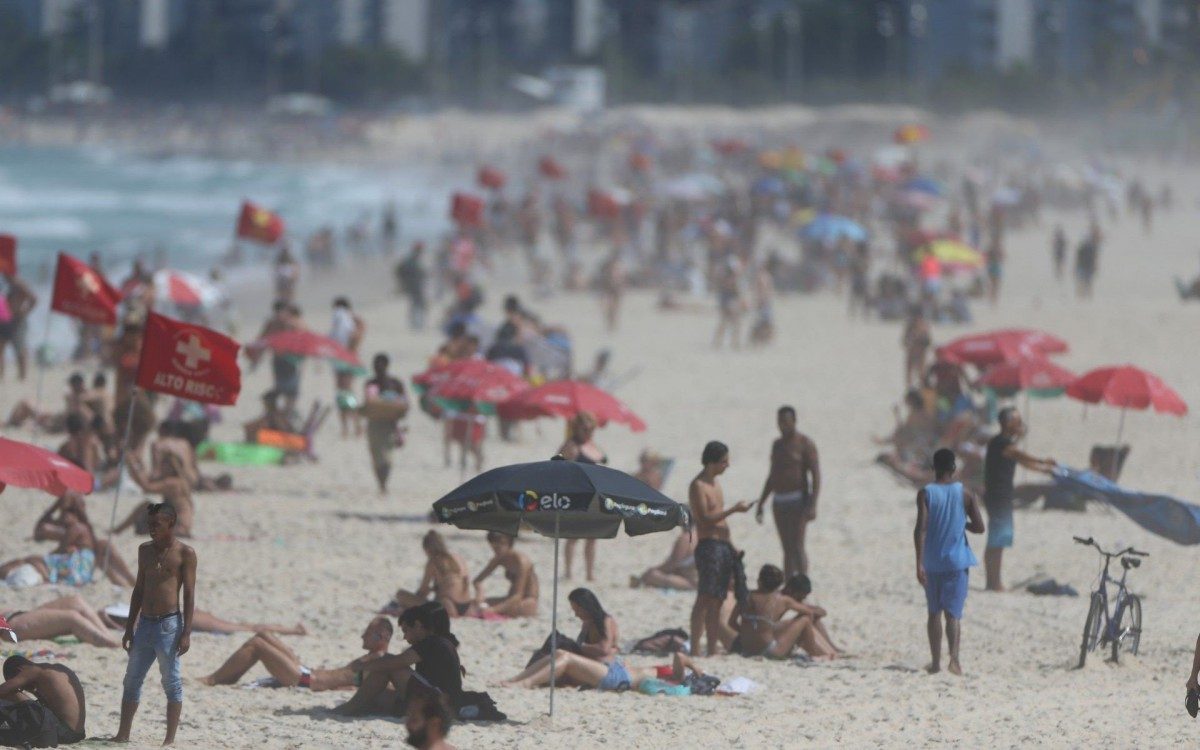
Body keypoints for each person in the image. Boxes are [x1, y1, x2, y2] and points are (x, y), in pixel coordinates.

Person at [113, 502, 197, 746]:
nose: (151, 528)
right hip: (144, 624)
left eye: (156, 524)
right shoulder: (145, 550)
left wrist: (186, 632)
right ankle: (123, 734)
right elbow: (139, 589)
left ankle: (169, 740)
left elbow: (189, 594)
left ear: (171, 523)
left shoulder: (185, 553)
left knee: (171, 682)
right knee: (131, 680)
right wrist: (129, 627)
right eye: (149, 524)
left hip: (169, 626)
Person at [914, 448, 985, 675]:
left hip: (932, 562)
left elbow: (920, 529)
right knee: (953, 614)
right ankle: (954, 661)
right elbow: (980, 527)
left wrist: (918, 562)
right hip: (957, 562)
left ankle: (935, 664)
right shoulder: (966, 494)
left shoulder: (925, 493)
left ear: (933, 468)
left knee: (934, 612)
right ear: (954, 468)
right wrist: (961, 523)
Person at [334, 602, 464, 716]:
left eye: (406, 631)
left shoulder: (431, 642)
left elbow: (398, 662)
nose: (405, 637)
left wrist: (361, 666)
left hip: (438, 705)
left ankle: (348, 708)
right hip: (438, 702)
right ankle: (353, 707)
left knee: (388, 665)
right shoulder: (440, 642)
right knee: (378, 692)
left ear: (418, 625)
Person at [201, 617, 392, 689]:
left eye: (367, 632)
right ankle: (226, 676)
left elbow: (383, 685)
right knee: (263, 634)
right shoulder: (372, 659)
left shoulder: (379, 660)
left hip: (306, 680)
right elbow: (354, 680)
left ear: (381, 636)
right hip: (308, 672)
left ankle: (213, 679)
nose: (362, 636)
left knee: (257, 644)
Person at [982, 408, 1055, 592]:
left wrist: (1044, 470)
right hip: (998, 497)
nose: (1021, 423)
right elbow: (1018, 455)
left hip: (1000, 496)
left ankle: (993, 582)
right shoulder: (1001, 443)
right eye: (1017, 420)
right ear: (1007, 423)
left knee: (998, 539)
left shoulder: (1003, 443)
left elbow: (1022, 462)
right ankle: (994, 583)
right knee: (997, 540)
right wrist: (1042, 461)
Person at [689, 441, 751, 656]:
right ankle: (695, 648)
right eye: (724, 461)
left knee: (717, 599)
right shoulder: (698, 486)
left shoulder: (716, 484)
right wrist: (734, 510)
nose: (727, 465)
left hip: (723, 546)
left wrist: (732, 546)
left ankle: (712, 648)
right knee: (704, 598)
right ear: (712, 462)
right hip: (708, 545)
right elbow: (704, 518)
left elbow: (720, 521)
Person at [754, 406, 821, 580]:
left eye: (786, 421)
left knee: (798, 545)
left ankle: (803, 582)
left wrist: (813, 504)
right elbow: (772, 476)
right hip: (779, 500)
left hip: (798, 499)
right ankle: (790, 584)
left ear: (794, 421)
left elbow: (815, 475)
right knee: (786, 548)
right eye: (780, 422)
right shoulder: (777, 445)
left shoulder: (805, 444)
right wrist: (762, 502)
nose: (782, 425)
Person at [727, 565, 835, 660]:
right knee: (805, 619)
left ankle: (831, 650)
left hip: (746, 649)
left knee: (799, 622)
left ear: (759, 581)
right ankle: (815, 654)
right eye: (801, 597)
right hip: (768, 650)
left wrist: (749, 632)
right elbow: (810, 613)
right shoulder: (782, 600)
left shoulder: (745, 596)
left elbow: (731, 623)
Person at [500, 648, 702, 693]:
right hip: (618, 672)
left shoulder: (677, 679)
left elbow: (680, 656)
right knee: (560, 652)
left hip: (620, 678)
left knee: (567, 659)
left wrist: (696, 669)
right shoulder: (671, 676)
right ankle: (518, 678)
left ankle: (526, 683)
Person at [558, 412, 607, 581]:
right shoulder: (571, 445)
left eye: (591, 429)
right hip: (576, 495)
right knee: (573, 536)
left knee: (592, 537)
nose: (589, 432)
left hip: (593, 494)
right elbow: (558, 469)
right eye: (585, 429)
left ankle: (589, 573)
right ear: (576, 428)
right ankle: (568, 572)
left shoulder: (591, 444)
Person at [0, 656, 86, 746]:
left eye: (20, 686)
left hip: (63, 731)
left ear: (20, 670)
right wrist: (34, 692)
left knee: (9, 693)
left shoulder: (33, 670)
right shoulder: (55, 669)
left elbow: (2, 690)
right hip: (77, 734)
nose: (22, 689)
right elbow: (51, 710)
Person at [386, 531, 474, 617]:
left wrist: (411, 601)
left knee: (400, 594)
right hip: (465, 606)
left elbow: (422, 591)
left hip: (446, 605)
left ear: (427, 549)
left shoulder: (433, 561)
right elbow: (465, 581)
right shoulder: (458, 558)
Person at [362, 353, 408, 494]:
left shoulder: (395, 384)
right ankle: (381, 484)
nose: (379, 367)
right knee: (377, 456)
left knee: (387, 457)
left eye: (381, 364)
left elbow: (405, 404)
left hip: (390, 424)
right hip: (374, 423)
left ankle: (383, 483)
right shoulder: (371, 384)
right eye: (377, 365)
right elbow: (368, 403)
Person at [472, 532, 538, 618]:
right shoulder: (499, 558)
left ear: (508, 543)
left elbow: (518, 595)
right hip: (510, 598)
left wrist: (493, 610)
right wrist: (480, 595)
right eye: (494, 548)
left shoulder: (521, 562)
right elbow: (477, 581)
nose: (497, 550)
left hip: (527, 599)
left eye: (500, 546)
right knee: (473, 605)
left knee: (513, 608)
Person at [330, 297, 366, 438]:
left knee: (345, 393)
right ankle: (350, 426)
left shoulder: (345, 320)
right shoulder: (349, 321)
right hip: (344, 361)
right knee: (344, 393)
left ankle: (353, 425)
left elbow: (355, 338)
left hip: (344, 361)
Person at [0, 270, 37, 382]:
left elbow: (34, 299)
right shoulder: (7, 285)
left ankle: (22, 376)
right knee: (1, 347)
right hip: (5, 319)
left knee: (19, 348)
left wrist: (24, 312)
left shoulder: (19, 284)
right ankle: (1, 375)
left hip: (17, 320)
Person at [630, 530, 696, 590]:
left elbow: (672, 564)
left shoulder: (687, 538)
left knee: (653, 575)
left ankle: (643, 580)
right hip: (694, 578)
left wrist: (655, 571)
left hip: (693, 582)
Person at [396, 242, 428, 330]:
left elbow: (400, 272)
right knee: (418, 303)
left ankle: (416, 323)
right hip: (414, 285)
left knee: (415, 303)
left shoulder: (411, 259)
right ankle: (417, 323)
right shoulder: (412, 259)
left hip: (412, 285)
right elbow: (415, 272)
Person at [902, 307, 931, 389]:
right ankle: (910, 388)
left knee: (921, 372)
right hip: (912, 352)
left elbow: (928, 341)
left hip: (920, 353)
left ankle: (921, 388)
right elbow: (904, 341)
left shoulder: (924, 326)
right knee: (910, 372)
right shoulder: (910, 326)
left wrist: (919, 337)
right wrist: (911, 340)